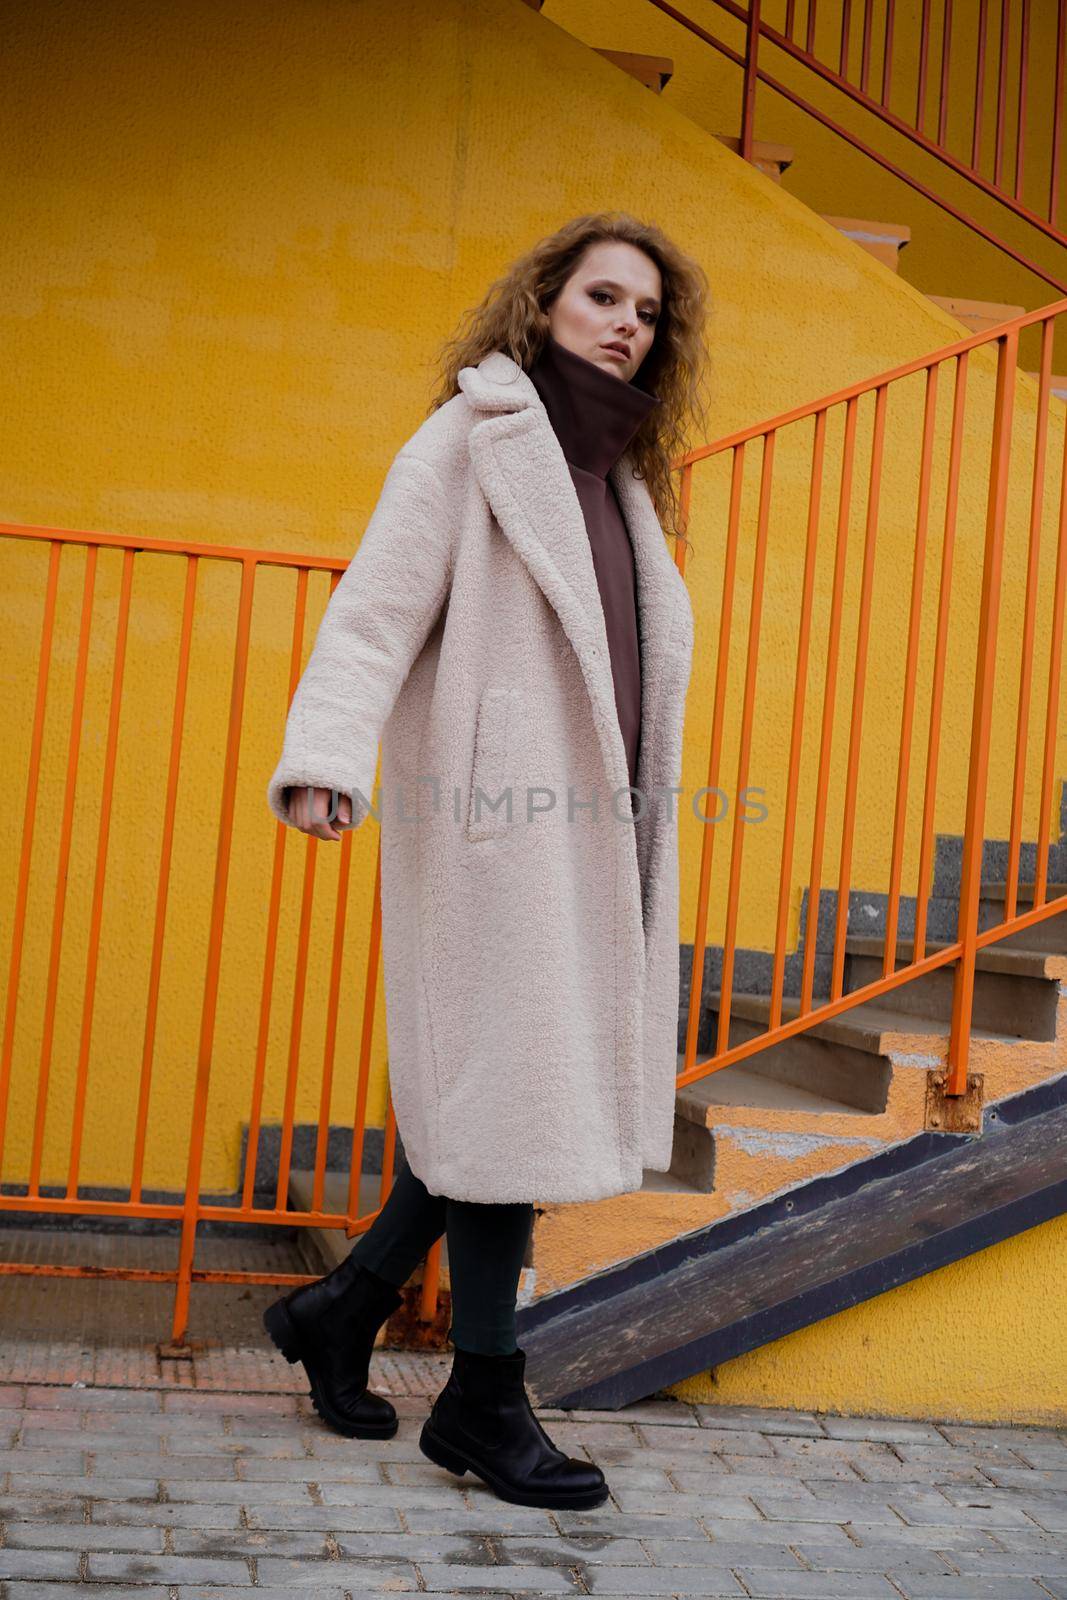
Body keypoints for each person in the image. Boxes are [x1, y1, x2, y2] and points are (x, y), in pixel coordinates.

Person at [263, 212, 710, 1510]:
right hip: (499, 832)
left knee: (507, 1092)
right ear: (544, 304)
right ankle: (482, 1399)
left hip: (597, 836)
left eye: (648, 312)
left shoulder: (621, 479)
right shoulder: (476, 438)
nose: (627, 323)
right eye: (603, 297)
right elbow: (374, 609)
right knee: (515, 1093)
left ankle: (342, 1310)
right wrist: (327, 758)